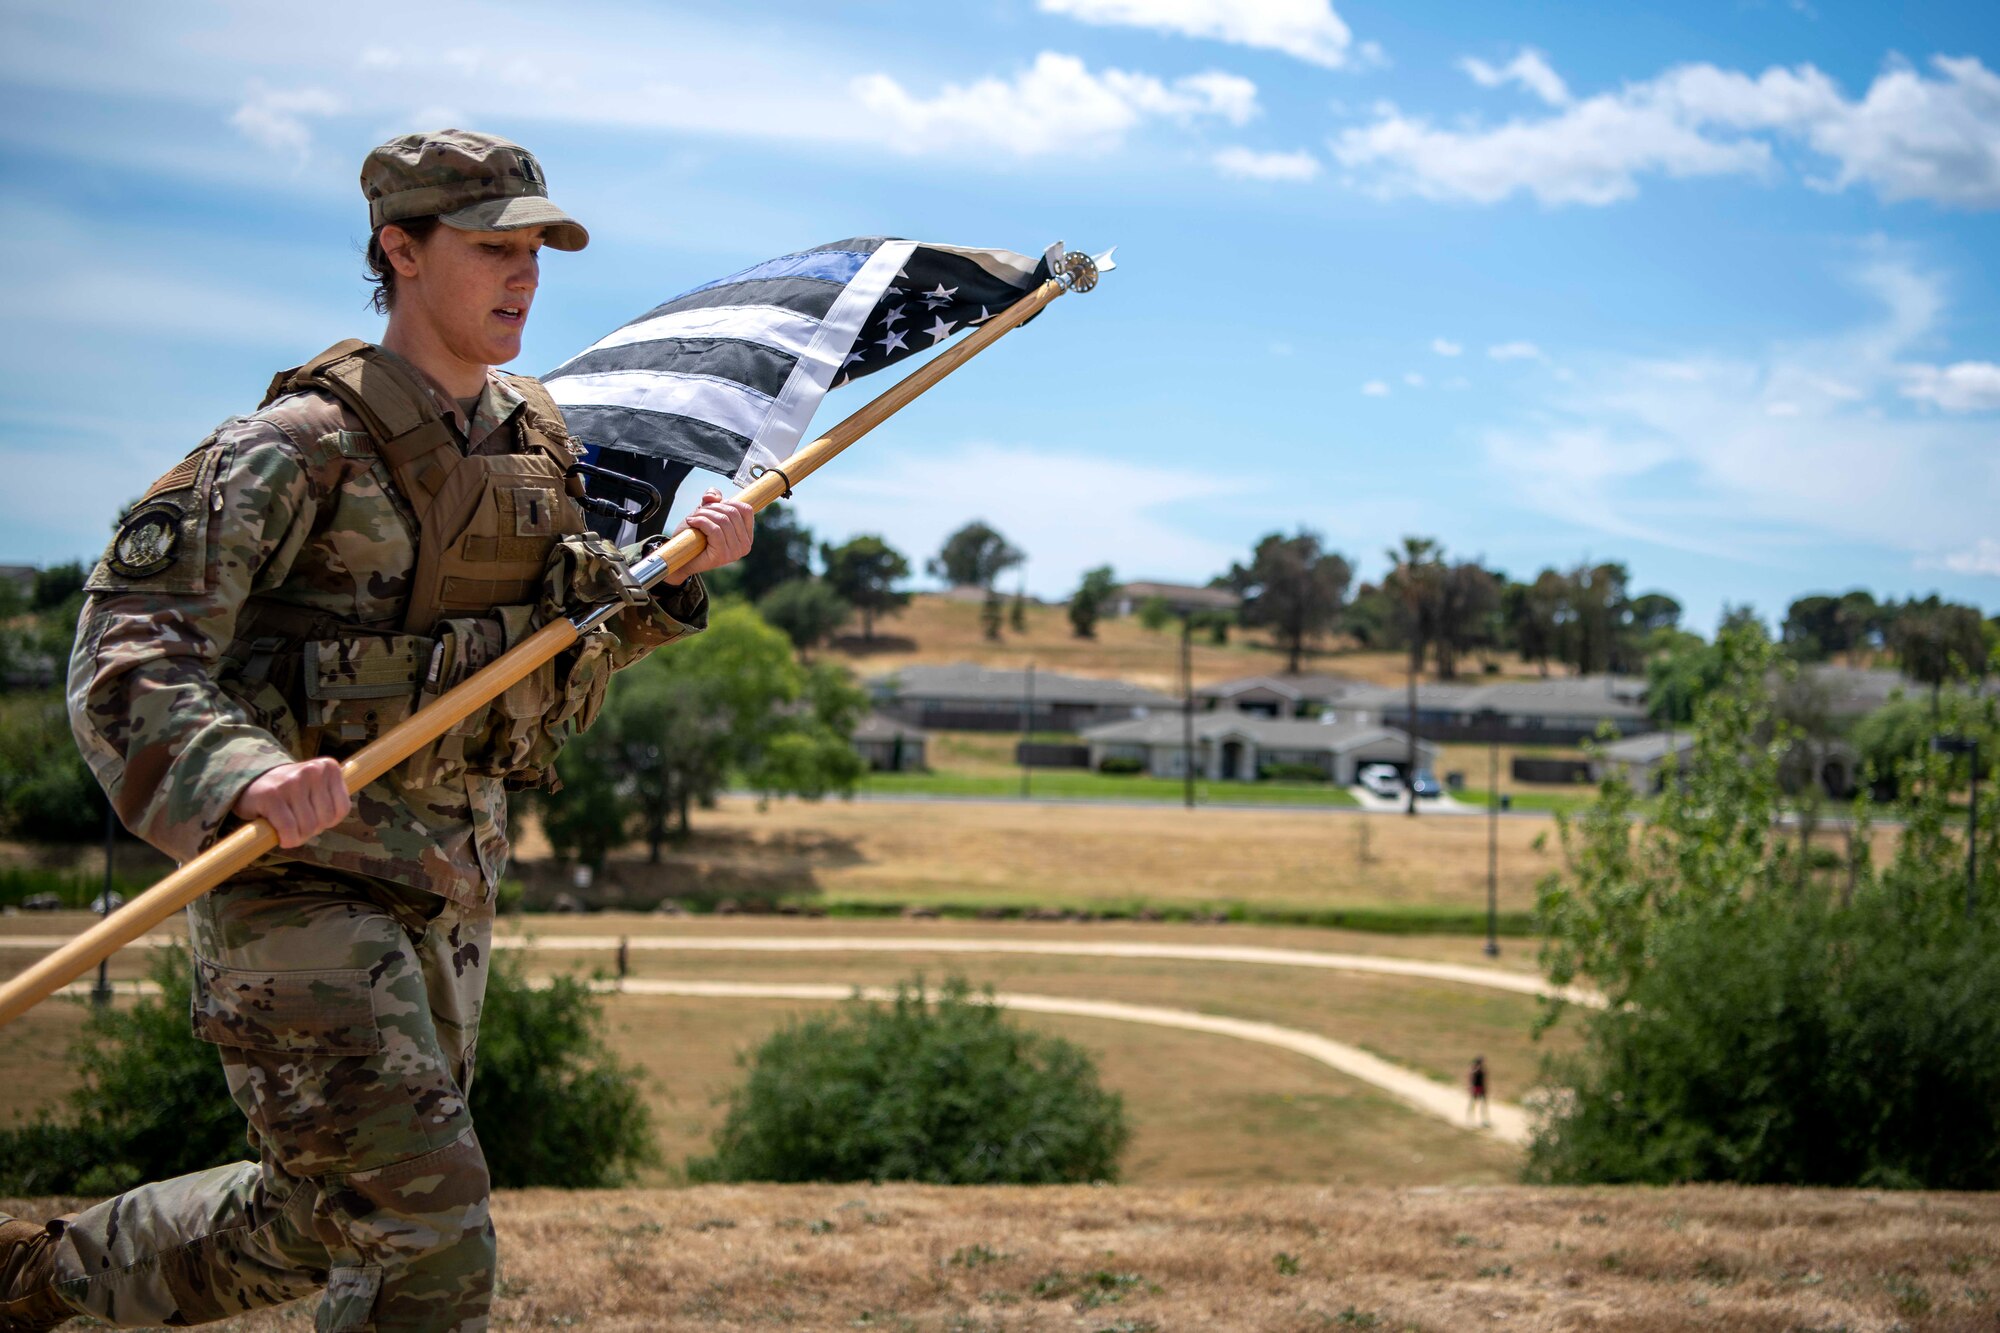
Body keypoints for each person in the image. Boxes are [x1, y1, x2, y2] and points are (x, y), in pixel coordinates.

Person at [0, 129, 754, 1333]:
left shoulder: (535, 446)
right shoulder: (294, 448)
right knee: (426, 1229)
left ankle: (36, 1283)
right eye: (492, 247)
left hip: (454, 880)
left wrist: (665, 583)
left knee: (322, 1216)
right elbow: (129, 646)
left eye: (536, 250)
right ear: (399, 250)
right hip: (298, 882)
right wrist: (241, 774)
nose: (524, 275)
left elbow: (555, 648)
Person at [1467, 1055, 1491, 1128]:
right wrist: (1471, 1087)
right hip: (1476, 1088)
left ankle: (1483, 1119)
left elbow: (1485, 1079)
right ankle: (1470, 1118)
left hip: (1481, 1088)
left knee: (1483, 1104)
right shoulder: (1474, 1069)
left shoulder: (1482, 1070)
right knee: (1473, 1103)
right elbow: (1471, 1079)